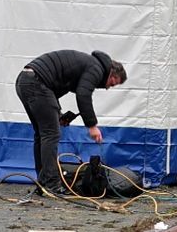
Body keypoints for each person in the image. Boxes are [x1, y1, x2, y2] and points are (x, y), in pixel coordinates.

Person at [15, 50, 127, 196]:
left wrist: (58, 115)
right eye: (112, 83)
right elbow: (83, 94)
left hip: (24, 81)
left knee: (42, 135)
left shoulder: (88, 64)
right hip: (36, 82)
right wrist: (92, 126)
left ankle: (42, 182)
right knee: (50, 135)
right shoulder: (96, 68)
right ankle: (52, 185)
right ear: (112, 72)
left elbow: (51, 90)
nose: (107, 88)